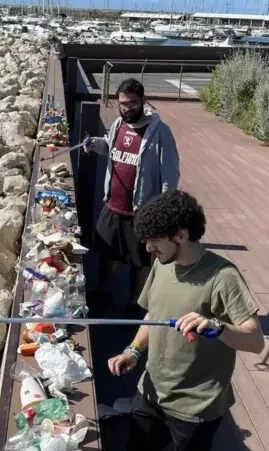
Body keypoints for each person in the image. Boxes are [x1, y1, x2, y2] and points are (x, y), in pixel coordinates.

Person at [107, 189, 265, 451]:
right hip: (152, 391)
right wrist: (133, 350)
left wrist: (217, 327)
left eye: (153, 239)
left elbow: (255, 341)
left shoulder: (223, 276)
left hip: (196, 407)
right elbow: (154, 314)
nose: (147, 247)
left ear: (180, 235)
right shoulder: (162, 265)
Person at [83, 78, 180, 317]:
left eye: (133, 103)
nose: (128, 108)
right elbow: (111, 147)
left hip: (141, 211)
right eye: (123, 104)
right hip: (113, 205)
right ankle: (102, 293)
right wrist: (95, 144)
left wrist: (164, 211)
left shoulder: (160, 132)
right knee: (106, 255)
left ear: (142, 102)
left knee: (141, 263)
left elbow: (170, 173)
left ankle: (135, 303)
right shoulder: (118, 124)